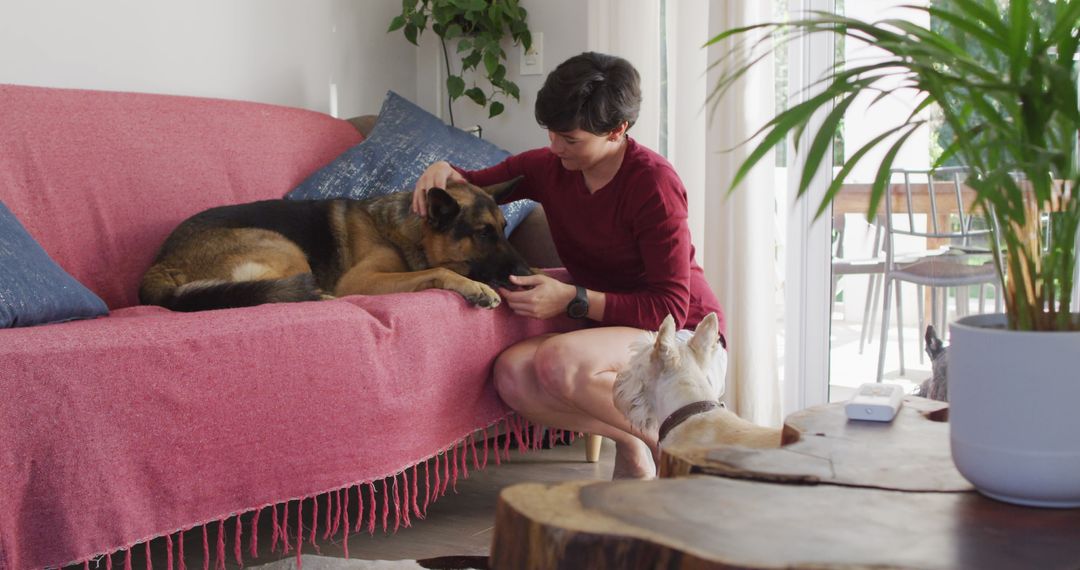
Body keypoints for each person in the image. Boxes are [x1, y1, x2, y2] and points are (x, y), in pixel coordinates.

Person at [411, 52, 724, 479]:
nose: (556, 148)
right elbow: (473, 186)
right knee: (512, 375)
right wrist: (441, 170)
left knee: (558, 361)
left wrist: (572, 299)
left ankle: (677, 448)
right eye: (551, 134)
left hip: (679, 332)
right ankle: (633, 440)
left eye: (570, 140)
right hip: (614, 329)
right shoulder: (548, 166)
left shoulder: (653, 183)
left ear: (618, 130)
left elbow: (666, 304)